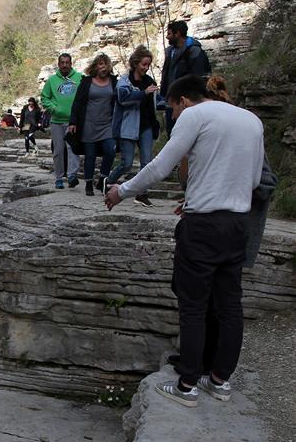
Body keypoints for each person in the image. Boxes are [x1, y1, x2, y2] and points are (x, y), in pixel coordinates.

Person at [104, 74, 264, 407]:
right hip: (237, 224)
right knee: (229, 305)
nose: (173, 117)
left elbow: (161, 166)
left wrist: (123, 191)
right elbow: (251, 179)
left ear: (183, 101)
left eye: (172, 110)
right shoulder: (250, 120)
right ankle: (220, 381)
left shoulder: (194, 116)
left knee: (193, 307)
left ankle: (187, 385)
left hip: (202, 227)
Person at [104, 45, 161, 207]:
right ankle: (109, 181)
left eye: (148, 65)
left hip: (146, 126)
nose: (146, 68)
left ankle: (142, 194)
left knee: (146, 163)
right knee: (127, 163)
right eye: (144, 64)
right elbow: (123, 99)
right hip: (128, 126)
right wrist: (143, 93)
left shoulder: (150, 81)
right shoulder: (124, 81)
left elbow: (157, 101)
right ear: (136, 63)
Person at [68, 53, 117, 196]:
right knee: (90, 155)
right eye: (100, 64)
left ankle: (102, 179)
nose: (103, 67)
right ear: (95, 66)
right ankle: (88, 183)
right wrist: (73, 122)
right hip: (89, 124)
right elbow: (77, 103)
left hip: (107, 124)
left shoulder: (114, 81)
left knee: (110, 150)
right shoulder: (87, 82)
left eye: (106, 64)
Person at [160, 20, 211, 135]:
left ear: (177, 34)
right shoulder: (170, 52)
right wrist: (164, 95)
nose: (167, 37)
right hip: (172, 100)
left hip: (187, 102)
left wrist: (192, 99)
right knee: (172, 133)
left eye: (169, 34)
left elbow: (199, 77)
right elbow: (167, 75)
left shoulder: (194, 51)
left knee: (187, 133)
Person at [41, 53, 83, 189]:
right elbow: (44, 98)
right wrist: (54, 108)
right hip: (57, 121)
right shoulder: (52, 81)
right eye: (62, 62)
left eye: (67, 62)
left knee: (73, 149)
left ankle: (72, 176)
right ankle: (59, 178)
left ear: (71, 64)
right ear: (58, 65)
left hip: (73, 121)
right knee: (58, 151)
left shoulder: (79, 78)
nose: (65, 65)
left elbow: (85, 95)